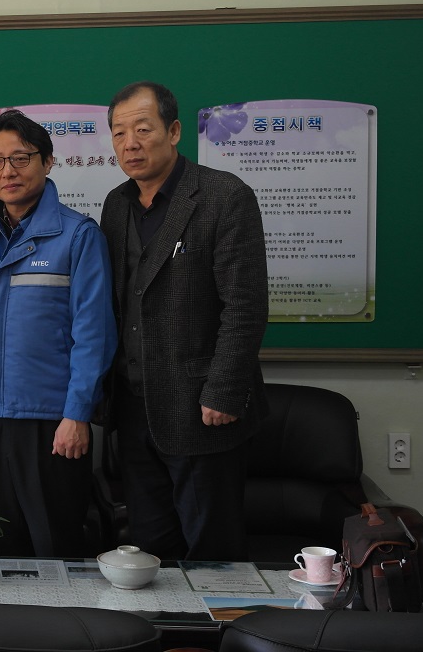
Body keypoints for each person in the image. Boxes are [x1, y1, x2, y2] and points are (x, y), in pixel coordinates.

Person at [100, 81, 269, 561]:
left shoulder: (223, 196)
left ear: (173, 131)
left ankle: (221, 616)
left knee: (212, 552)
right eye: (119, 133)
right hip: (134, 410)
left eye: (142, 129)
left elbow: (245, 305)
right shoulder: (116, 204)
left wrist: (223, 392)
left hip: (202, 409)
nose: (130, 144)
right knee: (149, 550)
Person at [0, 110, 116, 558]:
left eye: (21, 158)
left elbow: (94, 334)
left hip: (52, 421)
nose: (8, 171)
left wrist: (77, 414)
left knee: (55, 546)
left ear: (47, 162)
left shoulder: (78, 236)